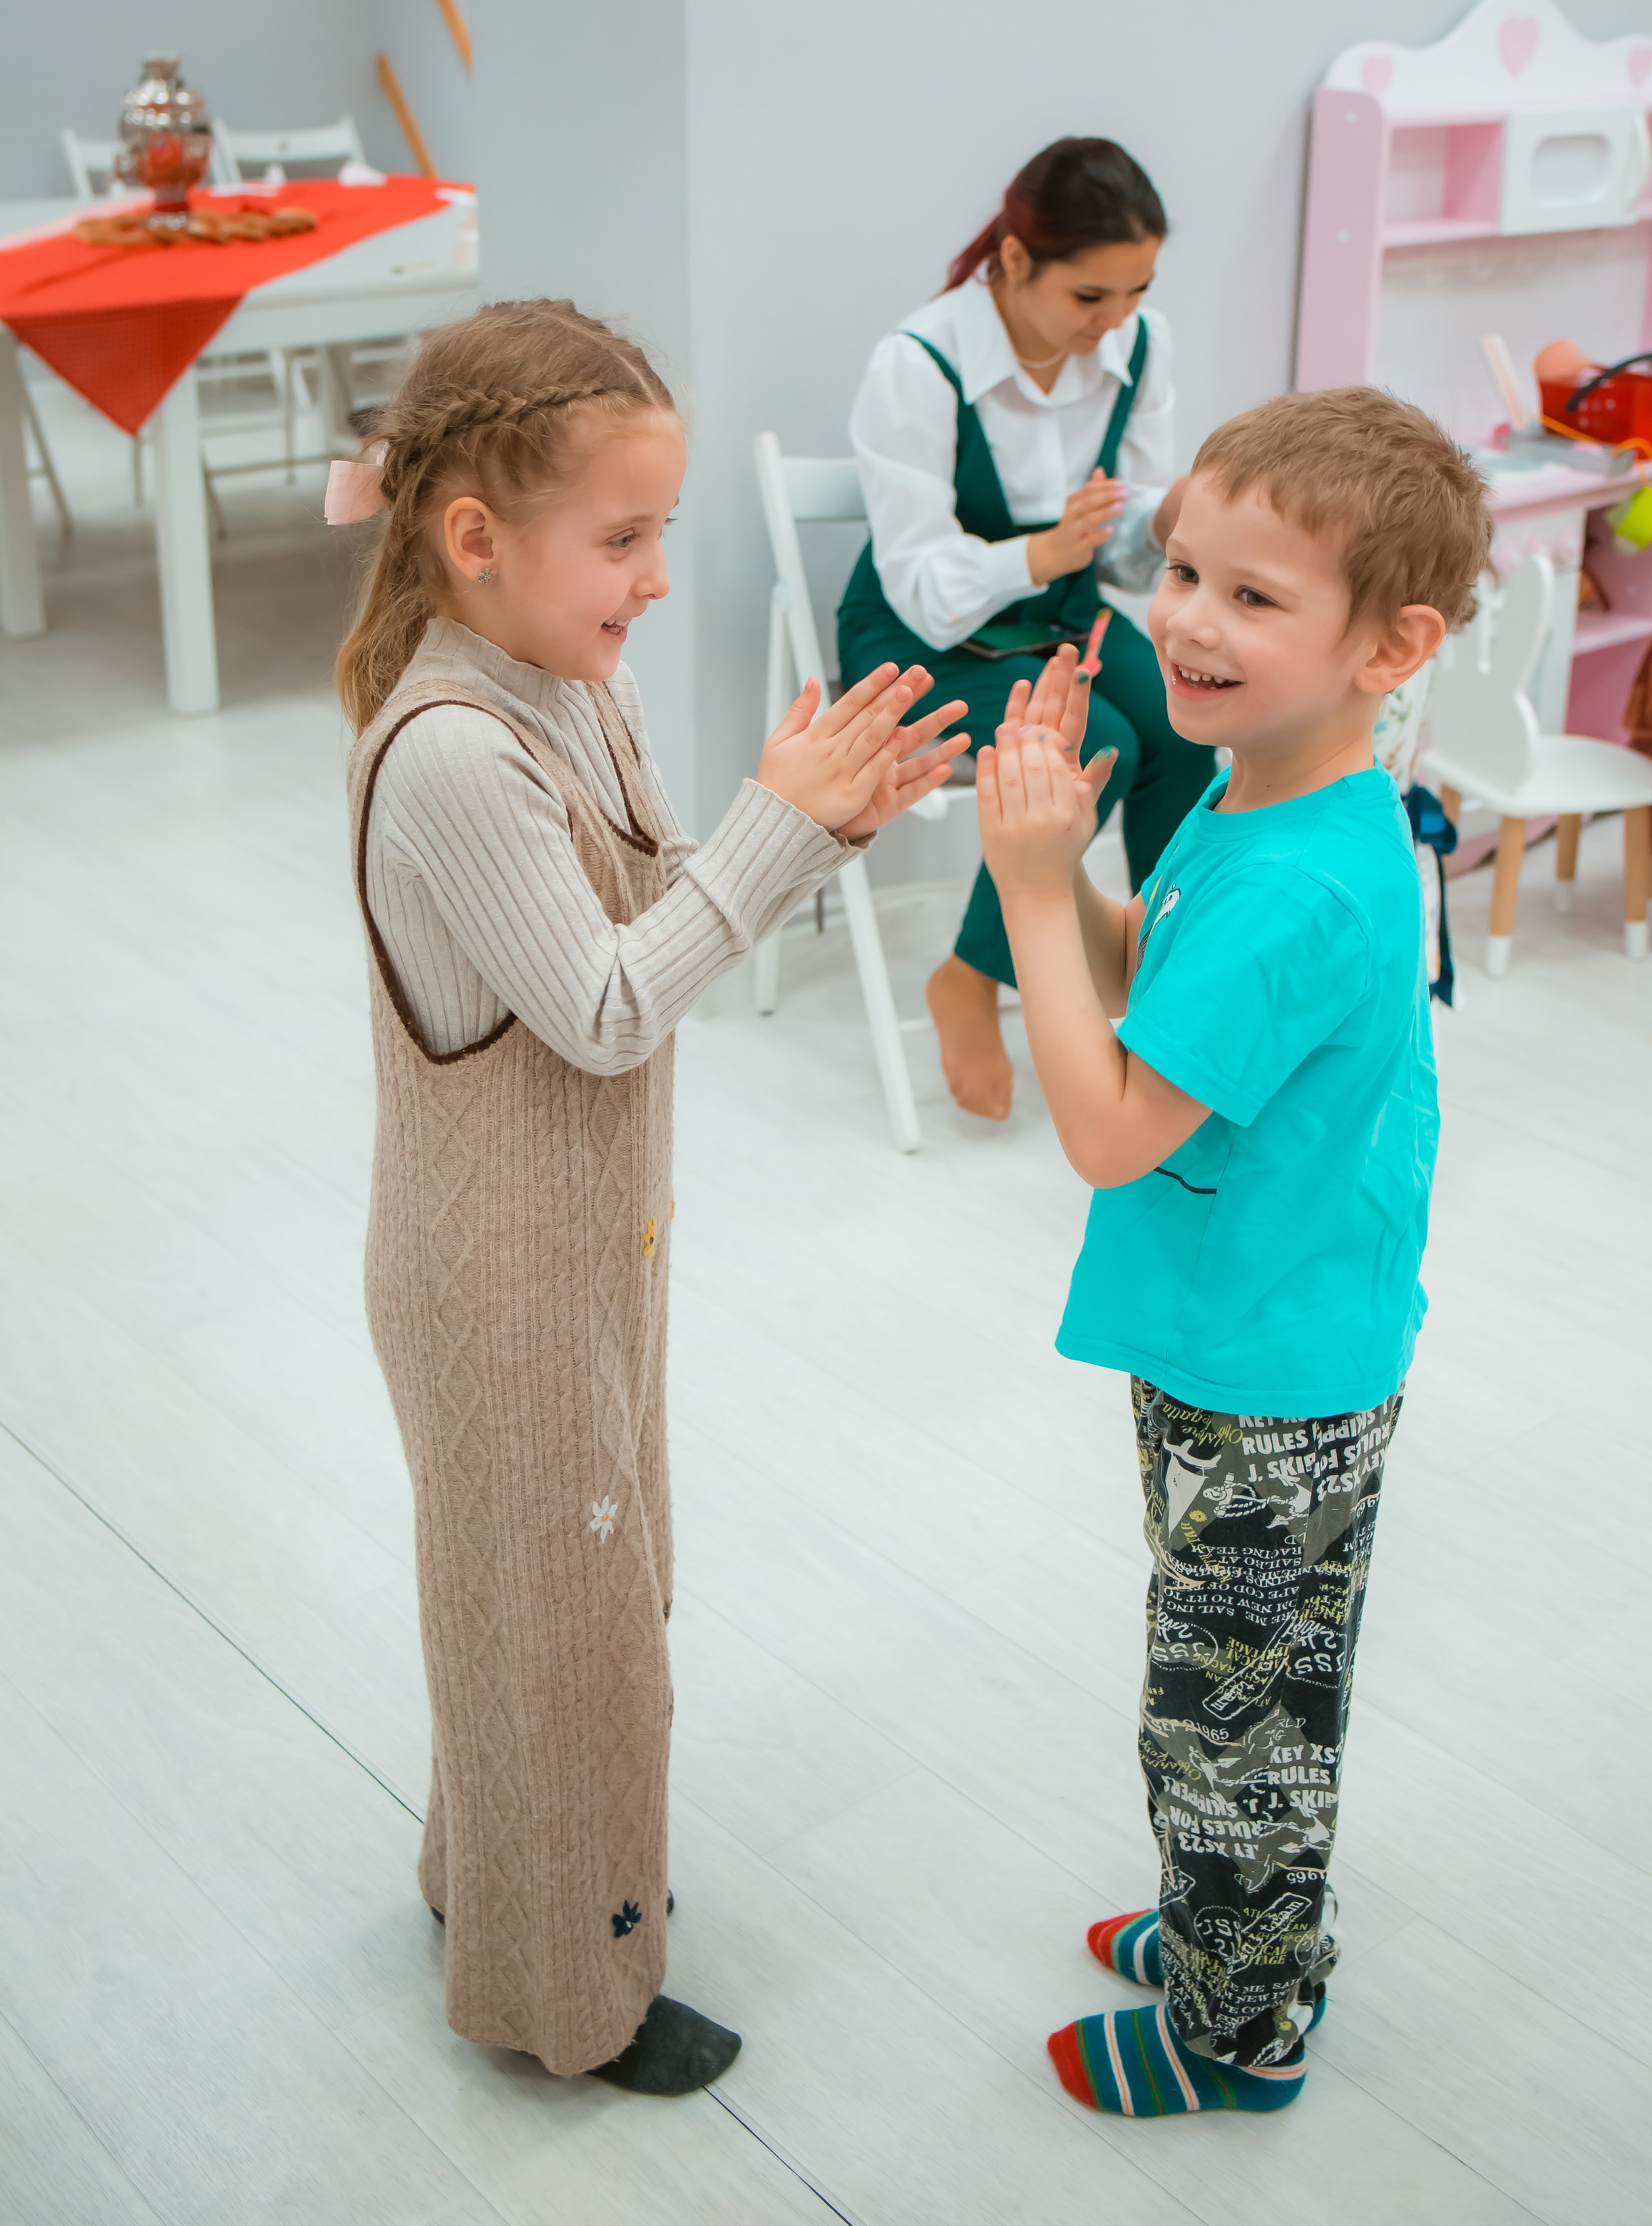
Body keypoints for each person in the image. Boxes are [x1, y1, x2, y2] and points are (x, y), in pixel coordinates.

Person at [329, 301, 965, 2096]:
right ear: (476, 540)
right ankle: (567, 1996)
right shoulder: (453, 748)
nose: (657, 579)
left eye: (660, 533)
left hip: (578, 1257)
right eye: (623, 540)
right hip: (495, 1283)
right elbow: (610, 1008)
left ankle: (503, 1882)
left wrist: (814, 818)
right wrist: (778, 830)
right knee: (566, 1645)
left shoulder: (566, 689)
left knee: (547, 1617)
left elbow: (660, 891)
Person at [973, 387, 1489, 2115]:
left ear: (1386, 646)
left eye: (1254, 599)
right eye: (1180, 569)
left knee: (1232, 1737)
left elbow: (1114, 1125)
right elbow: (1165, 986)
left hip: (1274, 1379)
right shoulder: (1260, 786)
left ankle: (1238, 2028)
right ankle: (1232, 1933)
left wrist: (1032, 900)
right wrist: (1065, 861)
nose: (1185, 619)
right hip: (1240, 1336)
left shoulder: (1300, 879)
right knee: (1228, 1695)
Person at [837, 135, 1214, 1122]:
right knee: (1097, 743)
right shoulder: (918, 365)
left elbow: (1124, 551)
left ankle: (1162, 982)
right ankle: (972, 974)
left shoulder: (1139, 346)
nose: (1118, 321)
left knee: (1188, 726)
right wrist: (1042, 555)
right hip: (923, 641)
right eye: (1092, 297)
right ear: (1014, 262)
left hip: (1060, 622)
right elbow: (919, 585)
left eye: (1137, 292)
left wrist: (1161, 532)